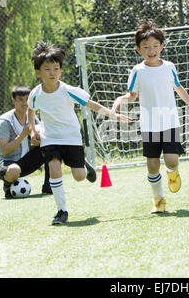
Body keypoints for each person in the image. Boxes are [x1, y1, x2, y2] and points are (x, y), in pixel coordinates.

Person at [28, 40, 131, 225]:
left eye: (56, 68)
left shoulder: (68, 91)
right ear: (38, 72)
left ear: (60, 70)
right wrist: (33, 129)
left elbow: (91, 104)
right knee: (54, 167)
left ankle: (84, 166)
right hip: (50, 138)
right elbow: (31, 109)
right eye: (47, 69)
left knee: (79, 177)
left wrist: (113, 115)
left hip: (71, 137)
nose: (52, 73)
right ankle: (61, 210)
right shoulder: (36, 94)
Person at [111, 21, 189, 214]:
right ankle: (158, 200)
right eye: (146, 47)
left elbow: (178, 87)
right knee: (152, 164)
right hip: (149, 125)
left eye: (155, 46)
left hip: (169, 121)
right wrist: (120, 100)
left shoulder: (169, 67)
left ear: (162, 47)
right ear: (138, 49)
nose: (151, 50)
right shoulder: (137, 71)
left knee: (171, 160)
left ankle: (172, 173)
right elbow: (132, 94)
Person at [0, 85, 51, 199]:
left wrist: (36, 138)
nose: (25, 103)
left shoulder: (32, 117)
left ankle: (48, 186)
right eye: (21, 99)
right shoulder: (4, 121)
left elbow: (41, 139)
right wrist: (23, 134)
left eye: (27, 99)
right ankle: (8, 185)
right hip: (6, 164)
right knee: (14, 170)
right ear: (14, 101)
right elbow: (5, 151)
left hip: (24, 161)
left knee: (50, 147)